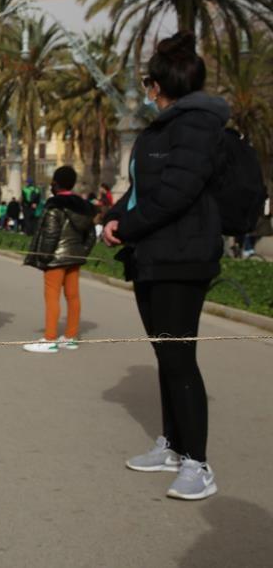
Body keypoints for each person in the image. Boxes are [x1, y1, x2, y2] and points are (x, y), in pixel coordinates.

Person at [102, 31, 226, 501]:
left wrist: (128, 226)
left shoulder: (195, 125)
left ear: (161, 84)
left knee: (179, 357)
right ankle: (173, 446)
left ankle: (198, 462)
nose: (147, 92)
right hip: (154, 254)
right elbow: (140, 191)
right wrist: (115, 217)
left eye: (149, 84)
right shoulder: (162, 128)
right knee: (165, 354)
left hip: (183, 256)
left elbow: (177, 193)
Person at [22, 166, 97, 353]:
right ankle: (70, 337)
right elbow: (91, 236)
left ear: (55, 183)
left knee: (52, 296)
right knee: (73, 296)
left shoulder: (55, 205)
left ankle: (49, 338)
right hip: (74, 257)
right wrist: (82, 252)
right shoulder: (84, 207)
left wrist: (44, 257)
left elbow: (50, 234)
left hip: (55, 258)